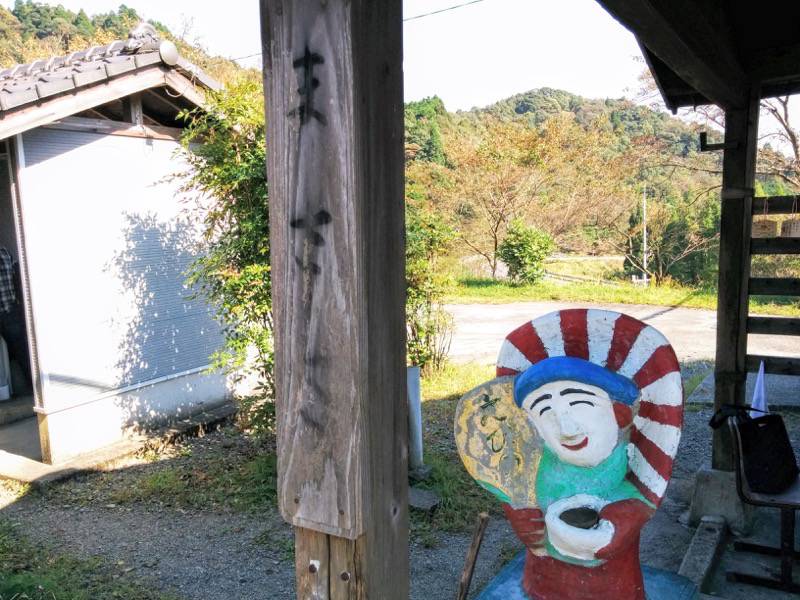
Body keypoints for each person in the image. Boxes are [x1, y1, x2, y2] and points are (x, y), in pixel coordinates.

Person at [504, 355, 654, 600]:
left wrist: (617, 523)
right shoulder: (536, 470)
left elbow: (627, 518)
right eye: (546, 413)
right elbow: (517, 496)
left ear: (620, 413)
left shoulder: (621, 473)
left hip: (610, 590)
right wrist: (520, 515)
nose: (567, 430)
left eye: (580, 406)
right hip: (540, 583)